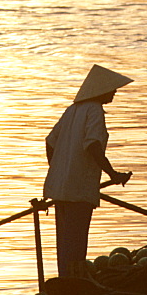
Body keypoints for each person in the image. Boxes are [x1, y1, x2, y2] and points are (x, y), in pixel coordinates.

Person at [43, 64, 133, 277]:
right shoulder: (94, 111)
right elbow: (93, 145)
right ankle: (73, 284)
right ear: (101, 90)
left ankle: (67, 280)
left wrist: (60, 171)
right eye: (112, 90)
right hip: (78, 190)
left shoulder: (71, 111)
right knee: (76, 240)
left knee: (65, 241)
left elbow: (50, 143)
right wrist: (113, 174)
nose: (114, 93)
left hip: (61, 189)